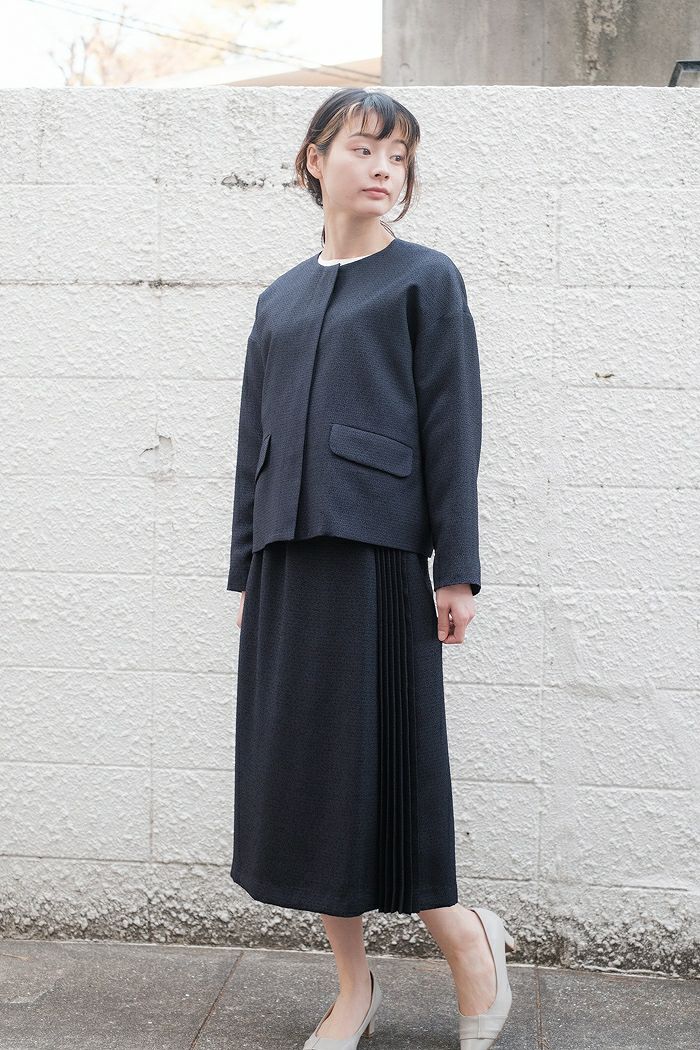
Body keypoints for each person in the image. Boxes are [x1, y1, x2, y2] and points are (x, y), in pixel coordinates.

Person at [226, 87, 516, 1050]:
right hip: (287, 563)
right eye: (364, 148)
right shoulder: (279, 297)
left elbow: (453, 427)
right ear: (316, 159)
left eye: (400, 155)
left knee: (391, 766)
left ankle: (466, 939)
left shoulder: (425, 279)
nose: (385, 167)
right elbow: (252, 444)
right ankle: (353, 989)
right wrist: (245, 570)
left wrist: (456, 568)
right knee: (309, 779)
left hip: (381, 559)